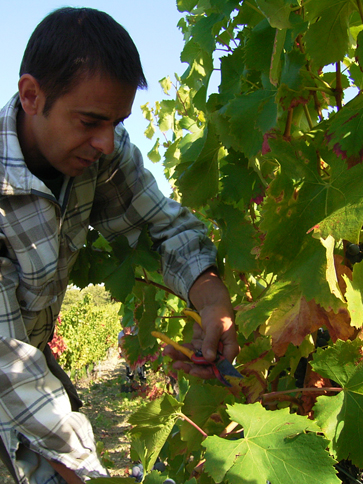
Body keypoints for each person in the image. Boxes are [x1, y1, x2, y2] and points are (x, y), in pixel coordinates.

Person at [0, 7, 238, 484]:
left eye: (117, 121)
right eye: (90, 121)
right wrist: (88, 469)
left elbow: (163, 226)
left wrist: (211, 301)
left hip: (30, 376)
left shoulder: (99, 151)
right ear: (31, 95)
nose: (107, 142)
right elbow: (6, 358)